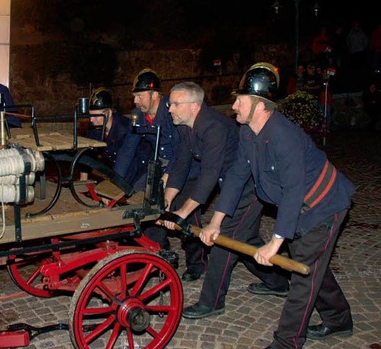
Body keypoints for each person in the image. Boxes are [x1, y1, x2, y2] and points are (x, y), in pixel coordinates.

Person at [199, 62, 355, 349]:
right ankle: (339, 319)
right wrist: (215, 222)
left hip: (323, 205)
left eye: (240, 100)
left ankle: (287, 342)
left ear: (260, 106)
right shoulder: (248, 132)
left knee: (302, 274)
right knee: (311, 265)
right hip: (298, 207)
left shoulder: (285, 136)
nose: (233, 105)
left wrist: (275, 242)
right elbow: (235, 177)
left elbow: (294, 190)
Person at [161, 81, 288, 307]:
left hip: (248, 186)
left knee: (223, 240)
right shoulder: (183, 126)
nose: (169, 108)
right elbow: (181, 164)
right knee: (244, 238)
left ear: (194, 106)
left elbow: (209, 173)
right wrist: (168, 199)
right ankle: (277, 282)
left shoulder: (213, 127)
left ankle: (211, 302)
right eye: (170, 103)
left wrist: (183, 212)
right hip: (229, 182)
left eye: (175, 104)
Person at [115, 68, 181, 252]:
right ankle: (155, 246)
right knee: (137, 196)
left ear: (154, 95)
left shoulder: (172, 110)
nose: (135, 101)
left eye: (140, 96)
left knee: (187, 215)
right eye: (134, 96)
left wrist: (167, 177)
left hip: (182, 164)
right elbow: (128, 148)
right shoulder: (139, 114)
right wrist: (116, 183)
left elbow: (181, 149)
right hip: (158, 164)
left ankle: (196, 264)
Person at [86, 86, 151, 189]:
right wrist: (83, 176)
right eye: (90, 116)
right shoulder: (96, 127)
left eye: (96, 116)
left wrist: (115, 188)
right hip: (121, 169)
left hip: (141, 170)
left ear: (109, 113)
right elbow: (88, 152)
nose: (92, 120)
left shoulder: (124, 130)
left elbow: (129, 161)